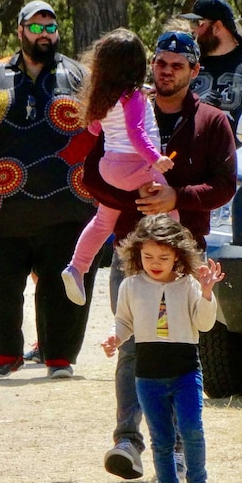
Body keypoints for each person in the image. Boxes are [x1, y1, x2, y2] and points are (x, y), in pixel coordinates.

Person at [83, 30, 237, 481]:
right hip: (131, 253)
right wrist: (130, 197)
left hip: (186, 255)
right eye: (161, 62)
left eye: (177, 64)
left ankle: (176, 446)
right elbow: (91, 174)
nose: (166, 71)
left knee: (180, 351)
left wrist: (177, 197)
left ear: (195, 71)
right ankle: (127, 441)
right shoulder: (123, 106)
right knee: (131, 346)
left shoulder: (211, 121)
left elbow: (225, 185)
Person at [0, 0, 98, 380]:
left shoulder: (80, 76)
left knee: (63, 279)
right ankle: (5, 353)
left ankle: (59, 356)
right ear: (20, 30)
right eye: (36, 27)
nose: (45, 34)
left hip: (67, 201)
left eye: (51, 27)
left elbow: (106, 120)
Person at [102, 214, 221, 483]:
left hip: (185, 371)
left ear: (178, 255)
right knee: (162, 439)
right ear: (136, 253)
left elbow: (205, 324)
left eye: (164, 257)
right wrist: (115, 339)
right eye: (148, 255)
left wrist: (207, 293)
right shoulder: (130, 285)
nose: (155, 262)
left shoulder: (188, 285)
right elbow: (124, 323)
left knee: (192, 429)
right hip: (148, 375)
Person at [62, 28, 177, 306]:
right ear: (138, 65)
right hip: (135, 166)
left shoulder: (104, 98)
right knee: (169, 207)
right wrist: (155, 159)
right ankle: (178, 262)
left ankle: (76, 267)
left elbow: (93, 127)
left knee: (103, 222)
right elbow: (137, 132)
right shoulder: (134, 97)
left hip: (109, 168)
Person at [182, 0, 242, 145]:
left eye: (199, 23)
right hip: (190, 158)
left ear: (217, 27)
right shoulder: (187, 62)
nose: (194, 30)